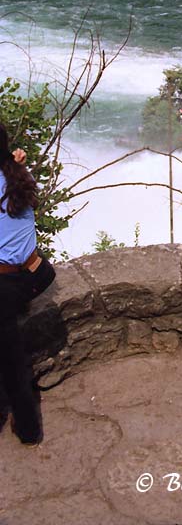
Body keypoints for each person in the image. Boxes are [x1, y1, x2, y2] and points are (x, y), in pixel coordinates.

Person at [0, 123, 56, 446]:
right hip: (38, 274)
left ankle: (30, 429)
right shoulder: (19, 175)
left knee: (12, 362)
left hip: (8, 285)